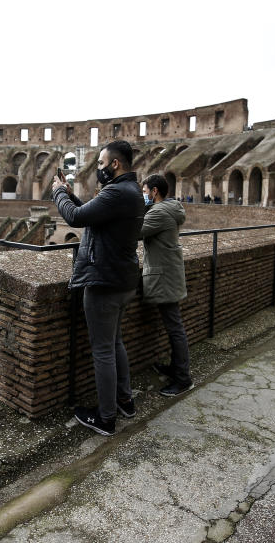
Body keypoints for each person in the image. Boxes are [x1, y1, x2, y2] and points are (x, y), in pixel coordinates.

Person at [51, 140, 144, 436]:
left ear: (115, 164)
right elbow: (92, 215)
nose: (100, 169)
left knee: (103, 350)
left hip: (104, 280)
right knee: (115, 342)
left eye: (102, 164)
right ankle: (125, 401)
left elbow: (75, 218)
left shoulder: (117, 191)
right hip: (123, 278)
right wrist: (70, 195)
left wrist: (57, 194)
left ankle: (105, 418)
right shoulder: (132, 192)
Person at [140, 174, 194, 397]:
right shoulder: (170, 209)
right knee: (175, 326)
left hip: (165, 276)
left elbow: (135, 232)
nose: (143, 195)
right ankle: (176, 369)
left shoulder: (159, 212)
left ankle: (183, 379)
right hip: (170, 273)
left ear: (154, 192)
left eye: (144, 191)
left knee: (175, 328)